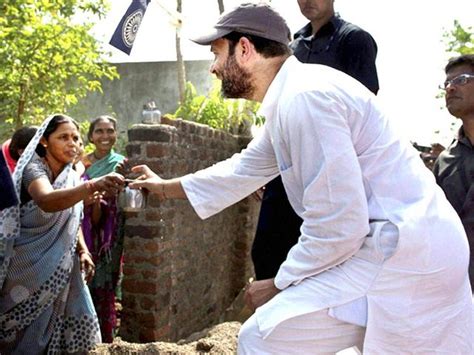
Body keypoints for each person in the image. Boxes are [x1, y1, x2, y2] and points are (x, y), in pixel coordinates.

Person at [129, 4, 472, 353]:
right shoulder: (292, 98)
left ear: (245, 49)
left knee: (263, 337)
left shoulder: (306, 98)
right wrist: (164, 188)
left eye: (217, 54)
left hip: (404, 251)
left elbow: (338, 222)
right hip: (403, 246)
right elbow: (242, 169)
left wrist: (280, 283)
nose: (214, 68)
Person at [253, 0, 379, 280]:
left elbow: (363, 109)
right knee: (266, 253)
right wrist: (263, 167)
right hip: (286, 171)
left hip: (331, 171)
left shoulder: (354, 40)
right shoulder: (291, 47)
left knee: (323, 263)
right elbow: (276, 111)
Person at [0, 114, 125, 353]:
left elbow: (71, 216)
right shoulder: (34, 168)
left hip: (63, 264)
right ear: (45, 141)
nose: (73, 144)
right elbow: (47, 201)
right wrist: (92, 185)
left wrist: (83, 250)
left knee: (75, 321)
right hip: (27, 264)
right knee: (23, 333)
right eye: (63, 137)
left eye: (76, 139)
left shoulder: (70, 174)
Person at [81, 115, 125, 342]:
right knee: (82, 280)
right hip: (82, 227)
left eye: (110, 131)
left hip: (109, 232)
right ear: (90, 136)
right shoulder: (81, 162)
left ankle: (105, 336)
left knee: (105, 282)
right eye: (99, 131)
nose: (105, 136)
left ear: (116, 135)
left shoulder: (121, 163)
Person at [433, 54, 474, 291]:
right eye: (447, 83)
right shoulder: (446, 161)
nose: (450, 88)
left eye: (462, 80)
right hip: (460, 288)